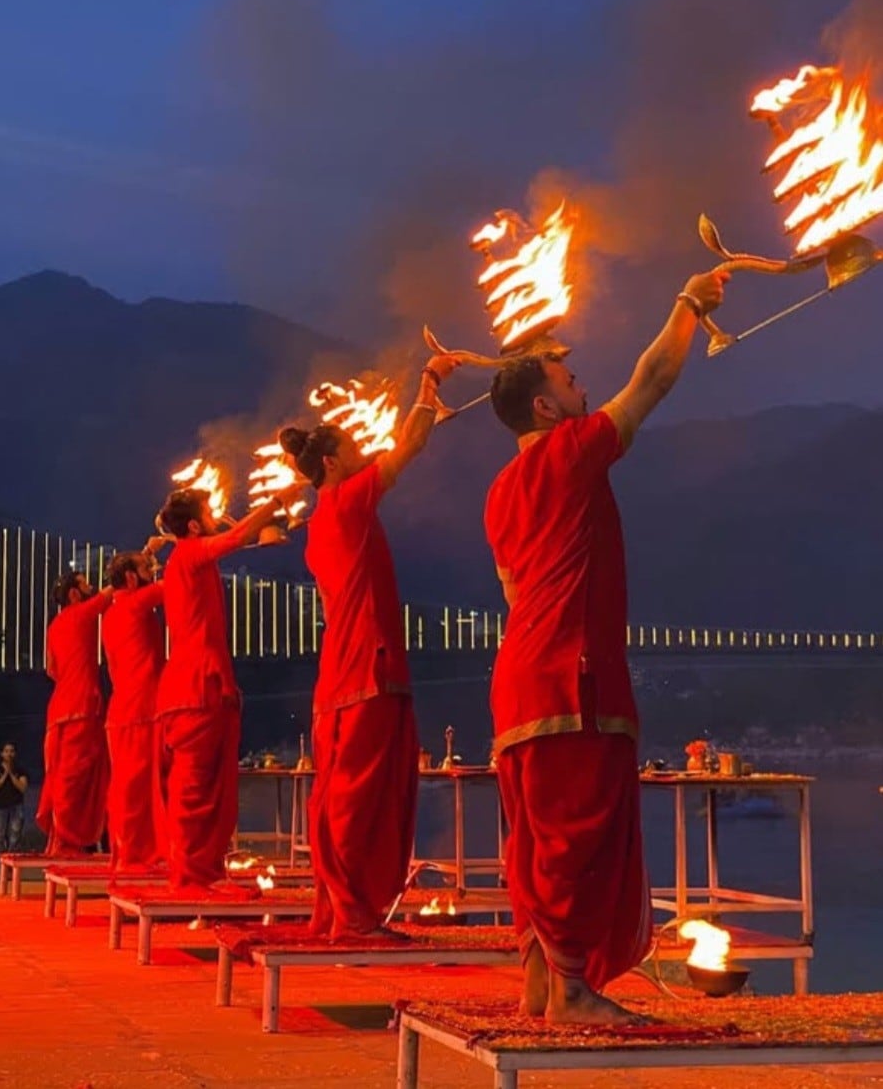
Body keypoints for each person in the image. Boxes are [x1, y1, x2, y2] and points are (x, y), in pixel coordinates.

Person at [484, 269, 728, 1025]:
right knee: (575, 836)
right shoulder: (570, 452)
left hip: (521, 676)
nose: (581, 385)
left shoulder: (499, 490)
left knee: (537, 839)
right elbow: (650, 379)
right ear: (542, 406)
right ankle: (573, 993)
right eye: (567, 378)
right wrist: (688, 303)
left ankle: (541, 982)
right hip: (570, 676)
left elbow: (512, 594)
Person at [280, 353, 460, 943]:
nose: (364, 451)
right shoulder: (351, 498)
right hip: (369, 666)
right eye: (353, 448)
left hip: (339, 672)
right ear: (332, 462)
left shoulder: (314, 528)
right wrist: (429, 383)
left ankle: (335, 910)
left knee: (339, 793)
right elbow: (409, 444)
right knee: (363, 795)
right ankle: (354, 914)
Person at [155, 487, 301, 890]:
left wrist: (263, 530)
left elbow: (235, 540)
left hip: (196, 687)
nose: (218, 514)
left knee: (207, 789)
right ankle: (190, 879)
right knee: (195, 791)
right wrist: (274, 502)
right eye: (209, 511)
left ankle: (201, 873)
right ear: (194, 525)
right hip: (195, 689)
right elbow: (234, 539)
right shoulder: (188, 553)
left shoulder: (187, 559)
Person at [36, 570, 112, 856]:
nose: (90, 586)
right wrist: (147, 553)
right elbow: (114, 589)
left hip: (59, 707)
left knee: (62, 775)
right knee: (76, 777)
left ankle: (64, 839)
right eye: (84, 583)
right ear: (73, 594)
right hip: (80, 706)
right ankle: (68, 842)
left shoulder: (54, 626)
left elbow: (52, 670)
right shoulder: (82, 613)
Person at [102, 547, 166, 872]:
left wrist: (148, 551)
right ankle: (139, 859)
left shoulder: (112, 612)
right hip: (141, 709)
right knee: (142, 790)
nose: (153, 570)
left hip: (121, 712)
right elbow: (179, 581)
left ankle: (128, 857)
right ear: (130, 578)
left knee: (127, 788)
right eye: (146, 567)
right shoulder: (139, 603)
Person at [0, 742, 29, 873]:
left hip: (16, 807)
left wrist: (11, 774)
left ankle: (12, 870)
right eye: (6, 751)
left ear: (15, 754)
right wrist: (4, 775)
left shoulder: (20, 770)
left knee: (14, 839)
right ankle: (0, 870)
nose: (9, 754)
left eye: (11, 751)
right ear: (2, 754)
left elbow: (23, 788)